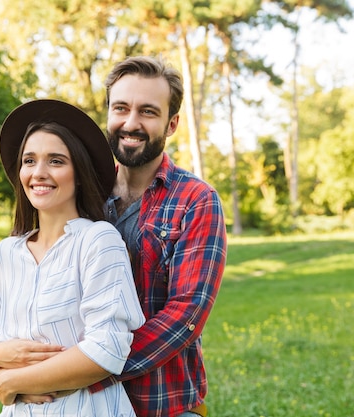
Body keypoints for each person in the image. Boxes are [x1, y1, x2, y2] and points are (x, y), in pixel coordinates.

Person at [0, 99, 146, 417]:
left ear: (78, 173)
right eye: (29, 160)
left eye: (55, 161)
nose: (38, 173)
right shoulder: (5, 254)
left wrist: (13, 381)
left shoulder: (98, 241)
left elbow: (107, 348)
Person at [90, 55, 228, 417]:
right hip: (80, 405)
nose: (130, 123)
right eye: (121, 108)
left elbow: (185, 314)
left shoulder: (197, 201)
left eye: (148, 112)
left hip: (160, 405)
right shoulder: (83, 194)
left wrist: (87, 371)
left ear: (172, 124)